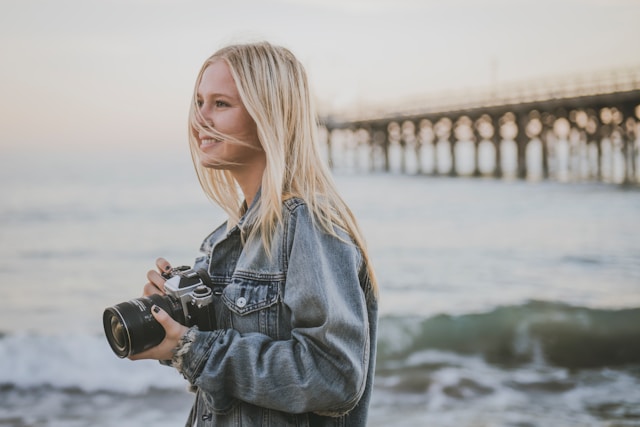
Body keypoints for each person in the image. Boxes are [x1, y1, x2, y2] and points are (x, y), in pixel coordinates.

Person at [129, 41, 378, 426]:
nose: (200, 119)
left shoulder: (308, 224)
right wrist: (174, 334)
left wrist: (195, 349)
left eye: (221, 104)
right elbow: (229, 385)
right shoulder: (222, 240)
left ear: (268, 114)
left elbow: (334, 376)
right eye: (198, 103)